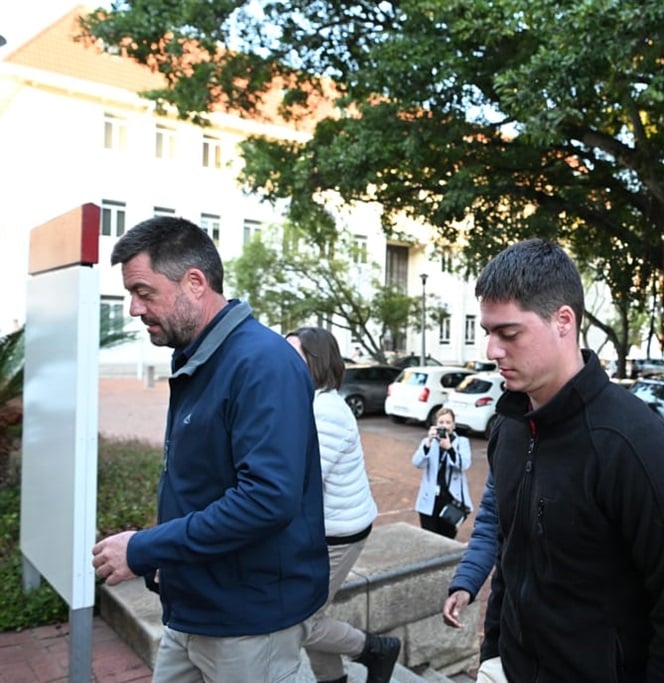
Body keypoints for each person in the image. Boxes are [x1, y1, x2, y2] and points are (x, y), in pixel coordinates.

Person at [475, 238, 664, 682]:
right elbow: (510, 559)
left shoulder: (637, 446)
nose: (492, 351)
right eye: (488, 333)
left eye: (509, 333)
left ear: (563, 322)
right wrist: (492, 653)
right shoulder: (509, 428)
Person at [90, 216, 330, 682]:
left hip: (248, 623)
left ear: (194, 283)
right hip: (195, 603)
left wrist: (145, 548)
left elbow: (265, 500)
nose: (134, 309)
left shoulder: (262, 362)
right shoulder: (198, 356)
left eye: (144, 292)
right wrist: (167, 557)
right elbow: (205, 481)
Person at [285, 327, 401, 683]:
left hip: (338, 533)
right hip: (324, 529)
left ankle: (376, 649)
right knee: (312, 614)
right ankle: (334, 680)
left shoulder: (326, 411)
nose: (283, 360)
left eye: (293, 355)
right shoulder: (307, 402)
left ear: (316, 362)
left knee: (300, 622)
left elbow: (303, 482)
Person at [442, 472, 499, 629]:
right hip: (505, 616)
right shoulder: (503, 449)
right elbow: (489, 525)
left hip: (563, 624)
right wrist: (466, 582)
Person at [412, 407, 473, 539]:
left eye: (448, 422)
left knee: (446, 539)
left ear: (453, 425)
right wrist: (428, 443)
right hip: (430, 499)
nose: (444, 426)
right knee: (428, 538)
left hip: (451, 499)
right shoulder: (428, 442)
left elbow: (464, 465)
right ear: (436, 424)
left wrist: (449, 448)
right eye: (441, 422)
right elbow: (417, 463)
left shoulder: (462, 442)